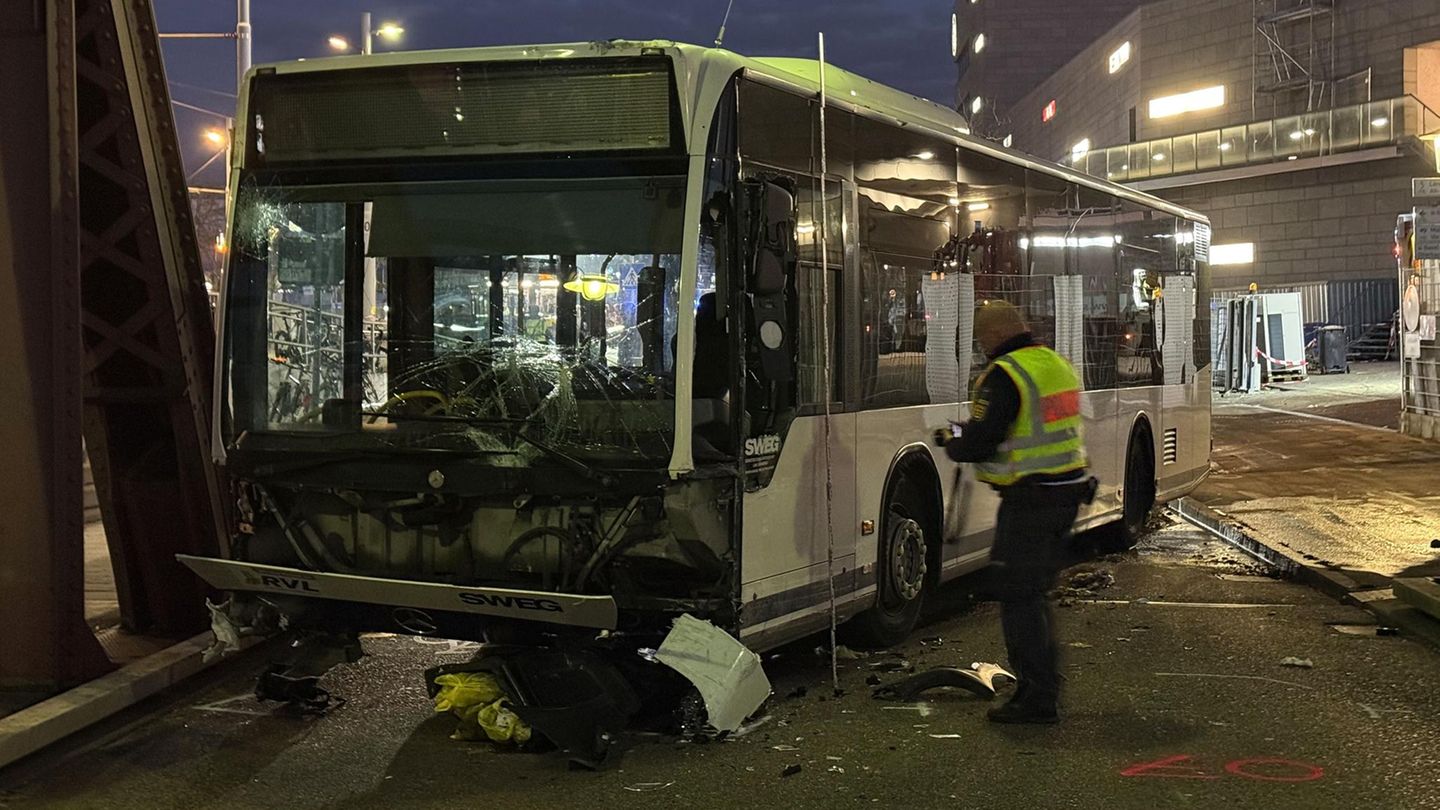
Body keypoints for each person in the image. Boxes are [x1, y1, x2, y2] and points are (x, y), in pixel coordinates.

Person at [933, 300, 1093, 725]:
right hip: (1065, 494)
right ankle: (1040, 689)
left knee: (1019, 595)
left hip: (1031, 502)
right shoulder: (1052, 363)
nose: (982, 346)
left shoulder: (1004, 374)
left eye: (981, 339)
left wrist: (952, 441)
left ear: (991, 337)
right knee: (1032, 594)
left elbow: (984, 438)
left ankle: (1038, 698)